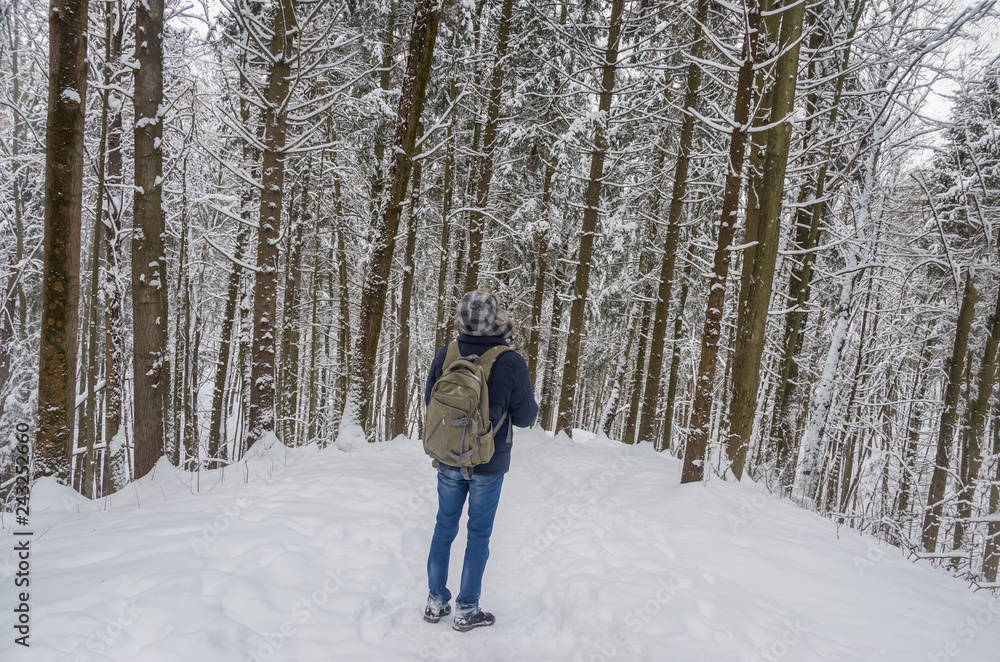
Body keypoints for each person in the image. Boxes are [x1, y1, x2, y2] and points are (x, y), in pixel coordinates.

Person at [423, 289, 539, 632]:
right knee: (478, 534)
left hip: (447, 459)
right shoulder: (510, 360)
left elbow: (431, 399)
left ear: (460, 319)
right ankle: (467, 608)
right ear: (496, 318)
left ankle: (435, 601)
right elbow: (524, 417)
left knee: (444, 527)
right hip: (488, 462)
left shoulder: (447, 353)